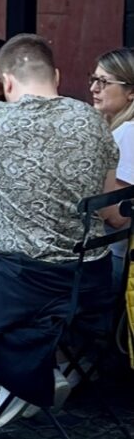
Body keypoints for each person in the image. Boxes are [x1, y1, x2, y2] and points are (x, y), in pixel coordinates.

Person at [0, 34, 119, 427]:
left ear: (7, 81)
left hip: (23, 281)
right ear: (57, 76)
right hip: (92, 278)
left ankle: (19, 375)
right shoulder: (92, 120)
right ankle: (41, 362)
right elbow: (109, 198)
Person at [89, 48, 134, 285]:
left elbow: (117, 216)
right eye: (94, 79)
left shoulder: (128, 133)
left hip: (114, 259)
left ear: (131, 92)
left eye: (104, 82)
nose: (94, 88)